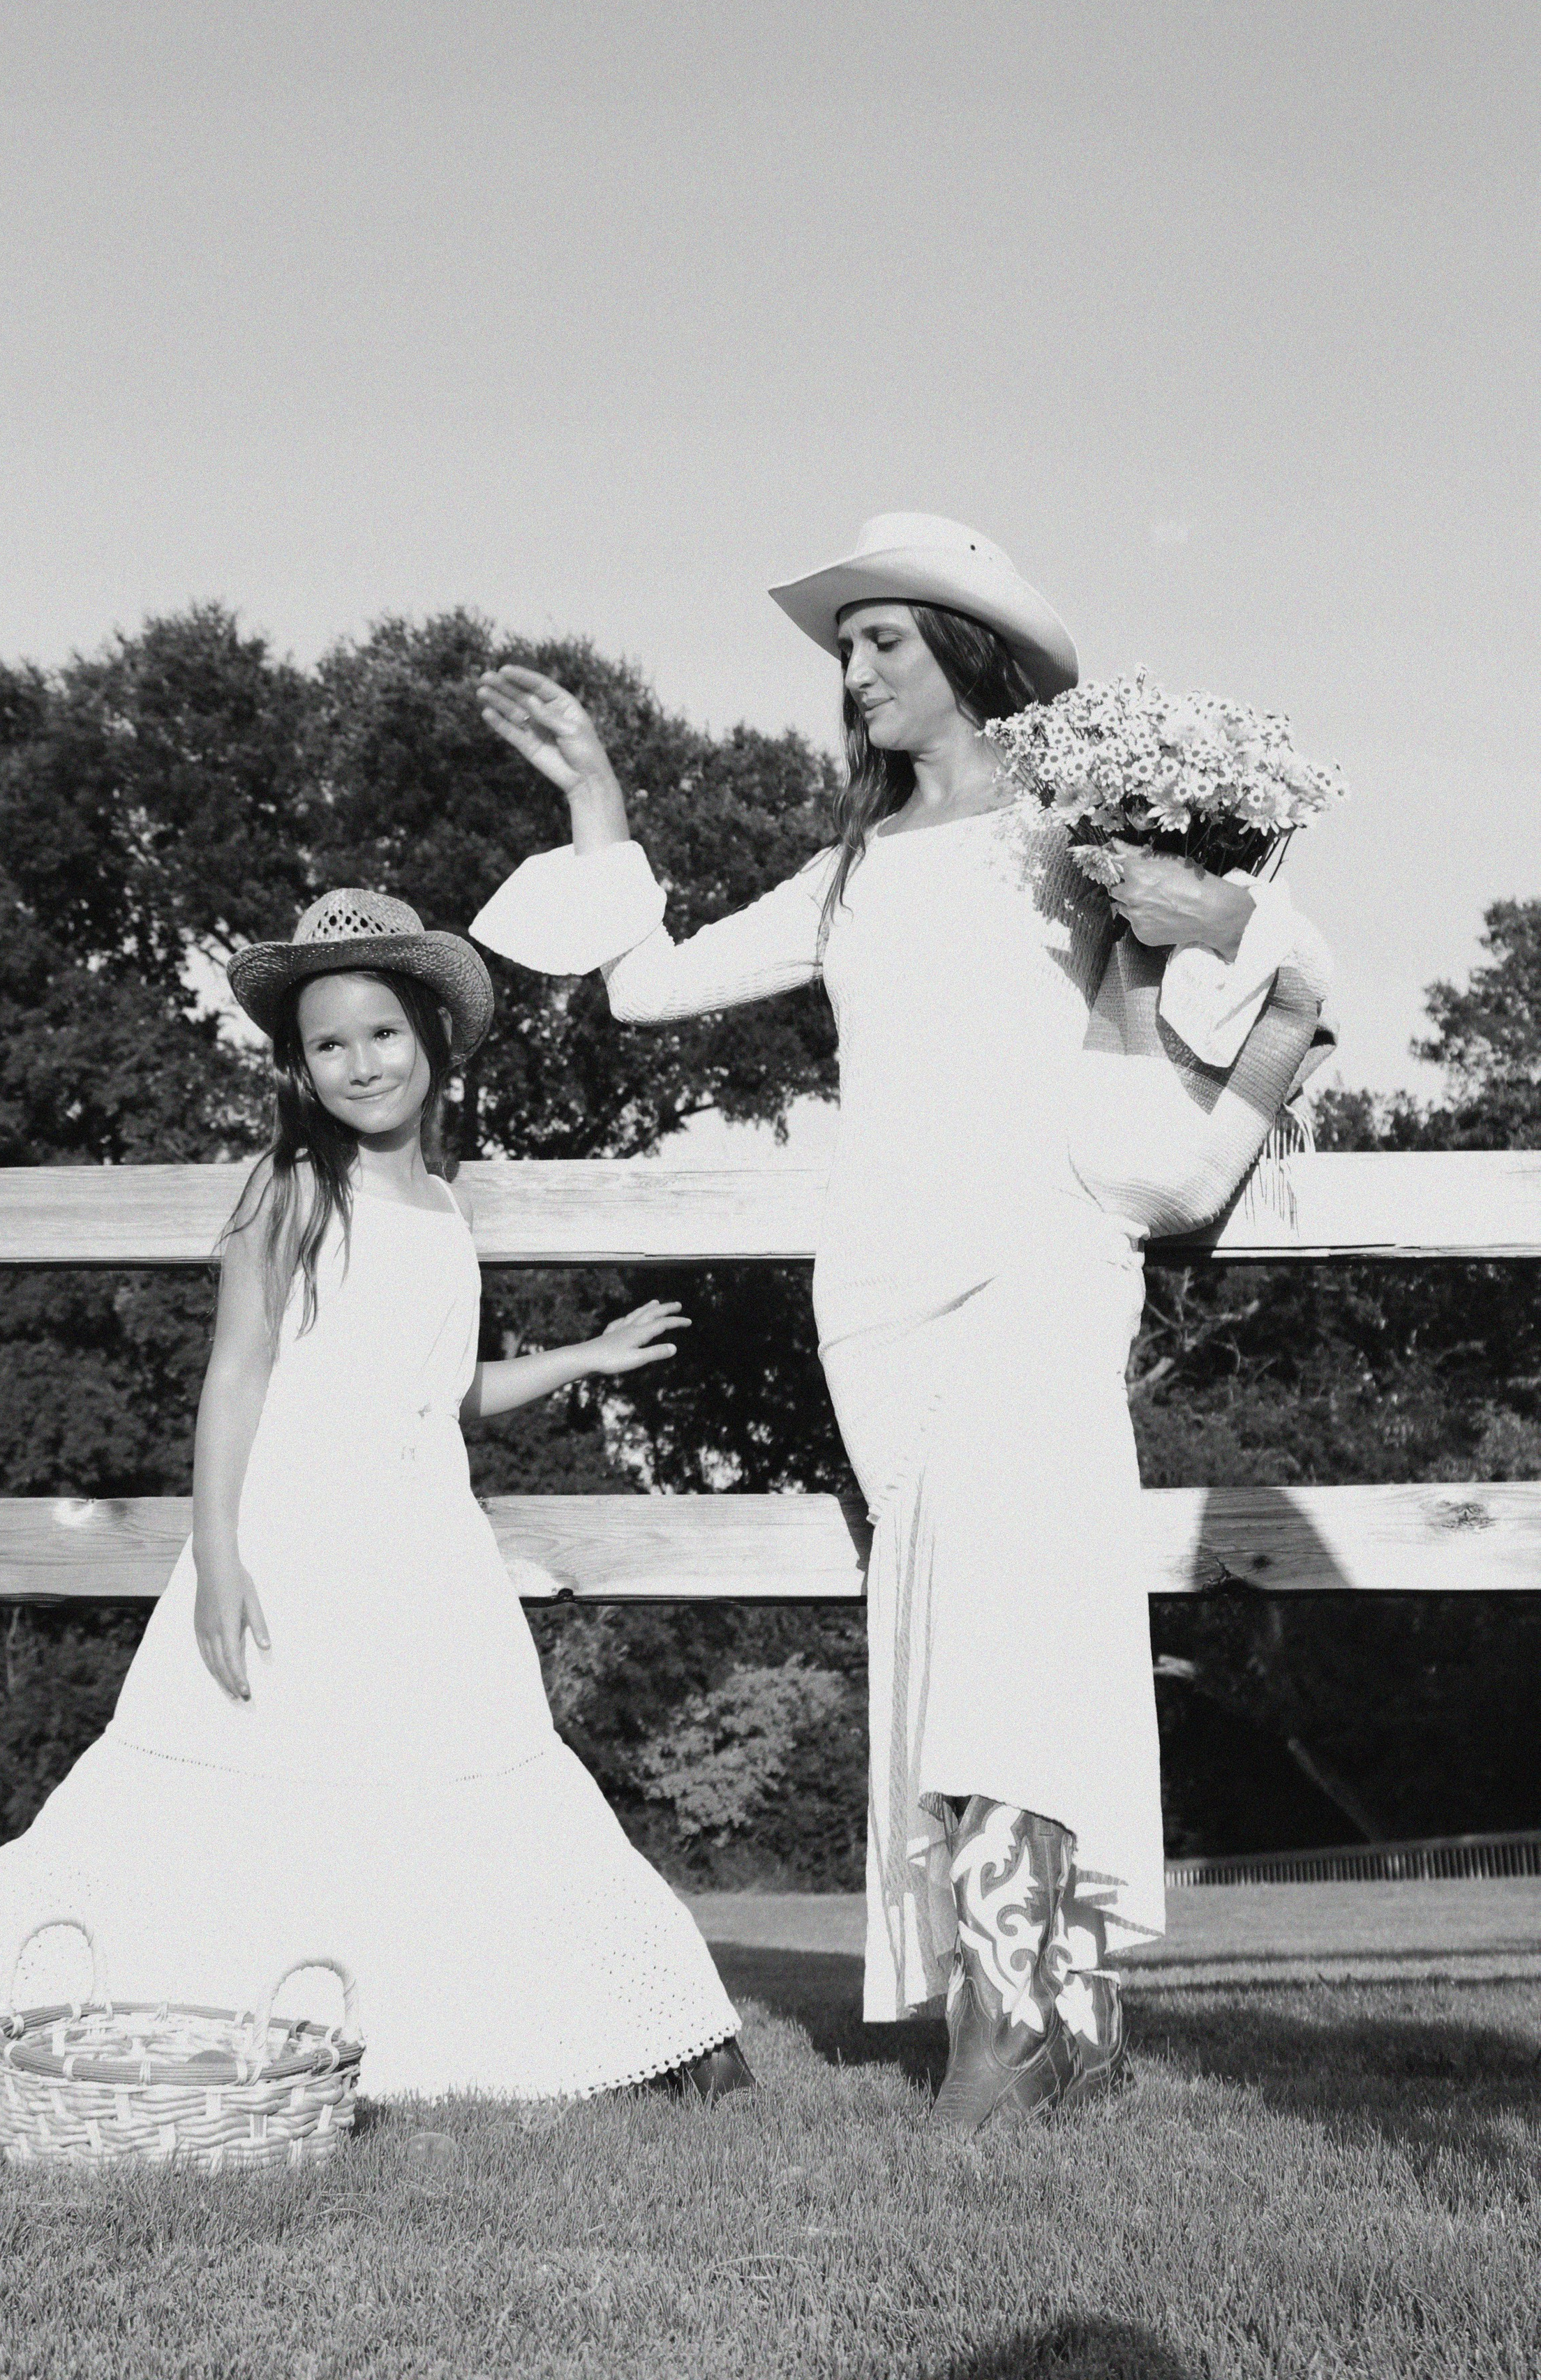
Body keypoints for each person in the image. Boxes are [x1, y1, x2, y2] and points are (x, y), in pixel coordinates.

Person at [472, 513, 1332, 2135]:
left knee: (1010, 1625)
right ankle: (1056, 2017)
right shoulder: (849, 868)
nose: (851, 670)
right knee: (963, 1634)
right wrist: (595, 799)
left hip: (1041, 1261)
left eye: (879, 639)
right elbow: (643, 987)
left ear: (963, 649)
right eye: (845, 646)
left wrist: (1202, 912)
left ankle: (999, 2031)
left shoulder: (1083, 835)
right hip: (878, 1295)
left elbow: (1275, 962)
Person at [0, 887, 749, 2112]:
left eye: (384, 1033)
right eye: (329, 1043)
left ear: (432, 1039)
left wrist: (583, 1357)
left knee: (504, 1773)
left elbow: (443, 1389)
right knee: (169, 1790)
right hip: (293, 1537)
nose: (362, 1062)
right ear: (299, 1063)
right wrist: (217, 1557)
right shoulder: (291, 1183)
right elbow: (236, 1374)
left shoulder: (448, 1206)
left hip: (428, 1548)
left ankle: (677, 2039)